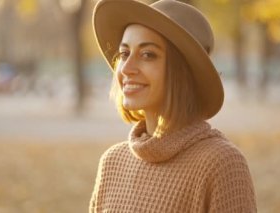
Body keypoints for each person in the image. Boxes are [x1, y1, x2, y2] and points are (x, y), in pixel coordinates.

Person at [89, 0, 257, 212]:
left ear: (182, 71)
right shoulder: (112, 163)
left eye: (147, 55)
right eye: (124, 54)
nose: (126, 68)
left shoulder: (221, 164)